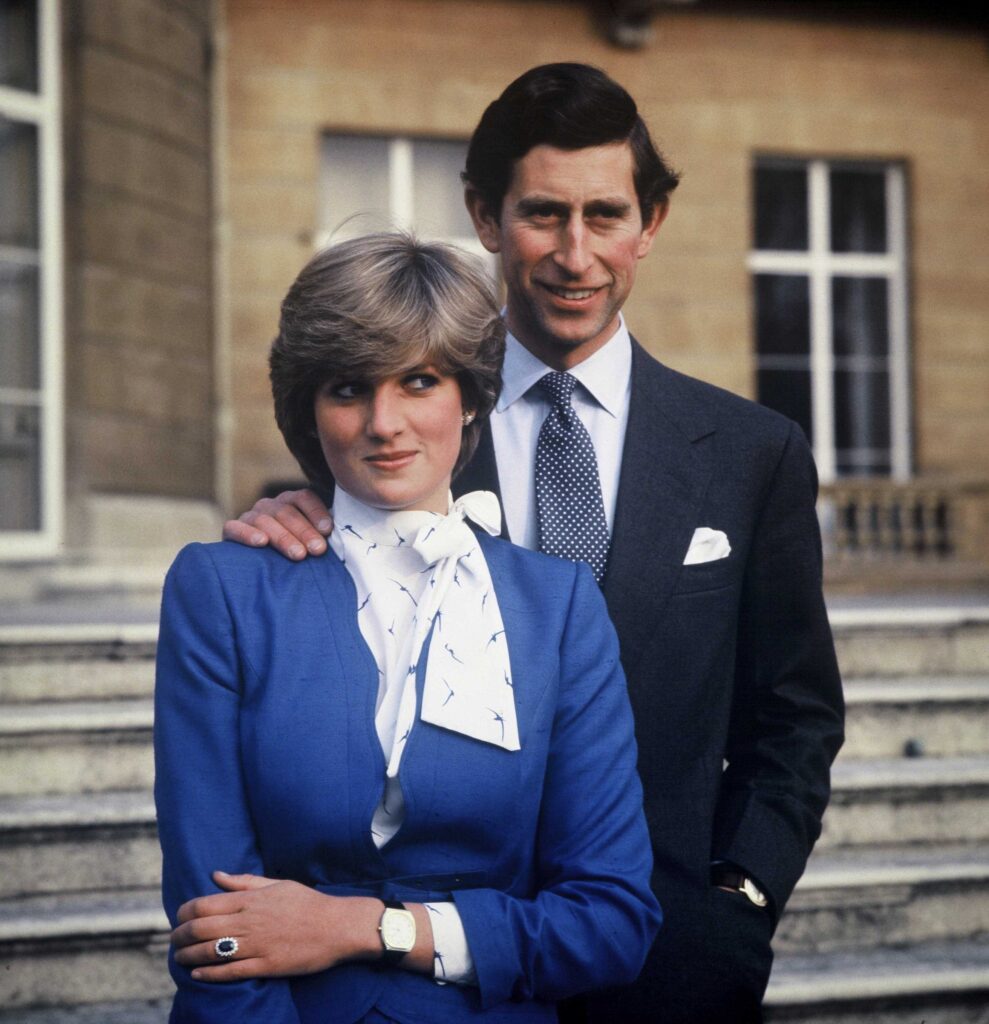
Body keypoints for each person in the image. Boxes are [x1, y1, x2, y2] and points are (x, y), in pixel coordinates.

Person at [223, 64, 845, 1023]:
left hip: (672, 964)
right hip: (438, 971)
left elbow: (794, 718)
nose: (574, 253)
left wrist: (740, 899)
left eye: (604, 216)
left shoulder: (752, 455)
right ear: (482, 215)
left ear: (651, 224)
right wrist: (285, 518)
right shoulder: (399, 438)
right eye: (543, 214)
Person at [154, 232, 659, 1024]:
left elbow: (609, 925)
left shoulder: (557, 609)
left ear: (470, 398)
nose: (384, 422)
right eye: (348, 388)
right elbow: (213, 931)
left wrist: (368, 928)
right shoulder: (222, 589)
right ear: (307, 410)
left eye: (419, 380)